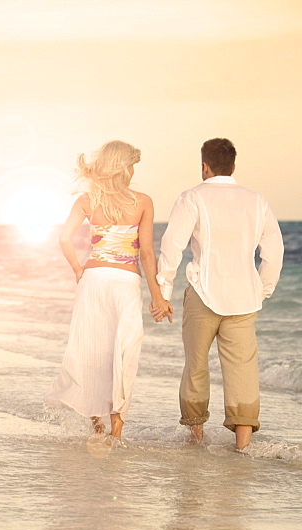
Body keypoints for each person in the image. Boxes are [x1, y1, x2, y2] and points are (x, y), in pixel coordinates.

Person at [154, 137, 284, 449]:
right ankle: (243, 447)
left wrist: (164, 291)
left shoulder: (192, 198)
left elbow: (172, 245)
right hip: (244, 298)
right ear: (233, 166)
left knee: (196, 365)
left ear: (204, 166)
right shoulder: (256, 200)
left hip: (203, 292)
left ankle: (196, 438)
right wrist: (262, 290)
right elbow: (274, 252)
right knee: (243, 370)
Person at [46, 140, 172, 442]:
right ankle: (116, 430)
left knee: (94, 351)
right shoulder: (143, 201)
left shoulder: (88, 201)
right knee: (124, 350)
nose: (132, 172)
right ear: (123, 167)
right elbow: (146, 255)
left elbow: (65, 239)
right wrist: (159, 297)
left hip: (93, 280)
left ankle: (96, 425)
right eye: (131, 166)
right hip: (125, 283)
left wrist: (79, 269)